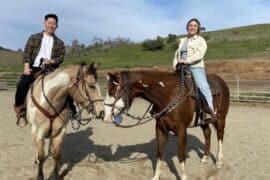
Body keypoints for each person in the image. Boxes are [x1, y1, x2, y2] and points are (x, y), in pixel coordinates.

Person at [13, 13, 77, 126]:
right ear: (44, 23)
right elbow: (27, 52)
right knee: (22, 84)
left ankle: (72, 111)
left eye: (54, 24)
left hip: (52, 69)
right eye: (49, 23)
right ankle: (20, 111)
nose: (51, 26)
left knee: (66, 86)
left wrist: (51, 61)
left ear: (57, 26)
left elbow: (60, 58)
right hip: (34, 67)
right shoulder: (34, 37)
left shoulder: (60, 43)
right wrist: (26, 67)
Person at [173, 18, 215, 122]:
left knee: (203, 86)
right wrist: (175, 65)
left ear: (198, 28)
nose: (192, 27)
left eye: (194, 26)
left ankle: (210, 111)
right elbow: (176, 54)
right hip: (181, 67)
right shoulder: (182, 41)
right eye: (190, 25)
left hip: (195, 66)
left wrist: (187, 61)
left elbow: (200, 54)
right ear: (187, 27)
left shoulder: (200, 40)